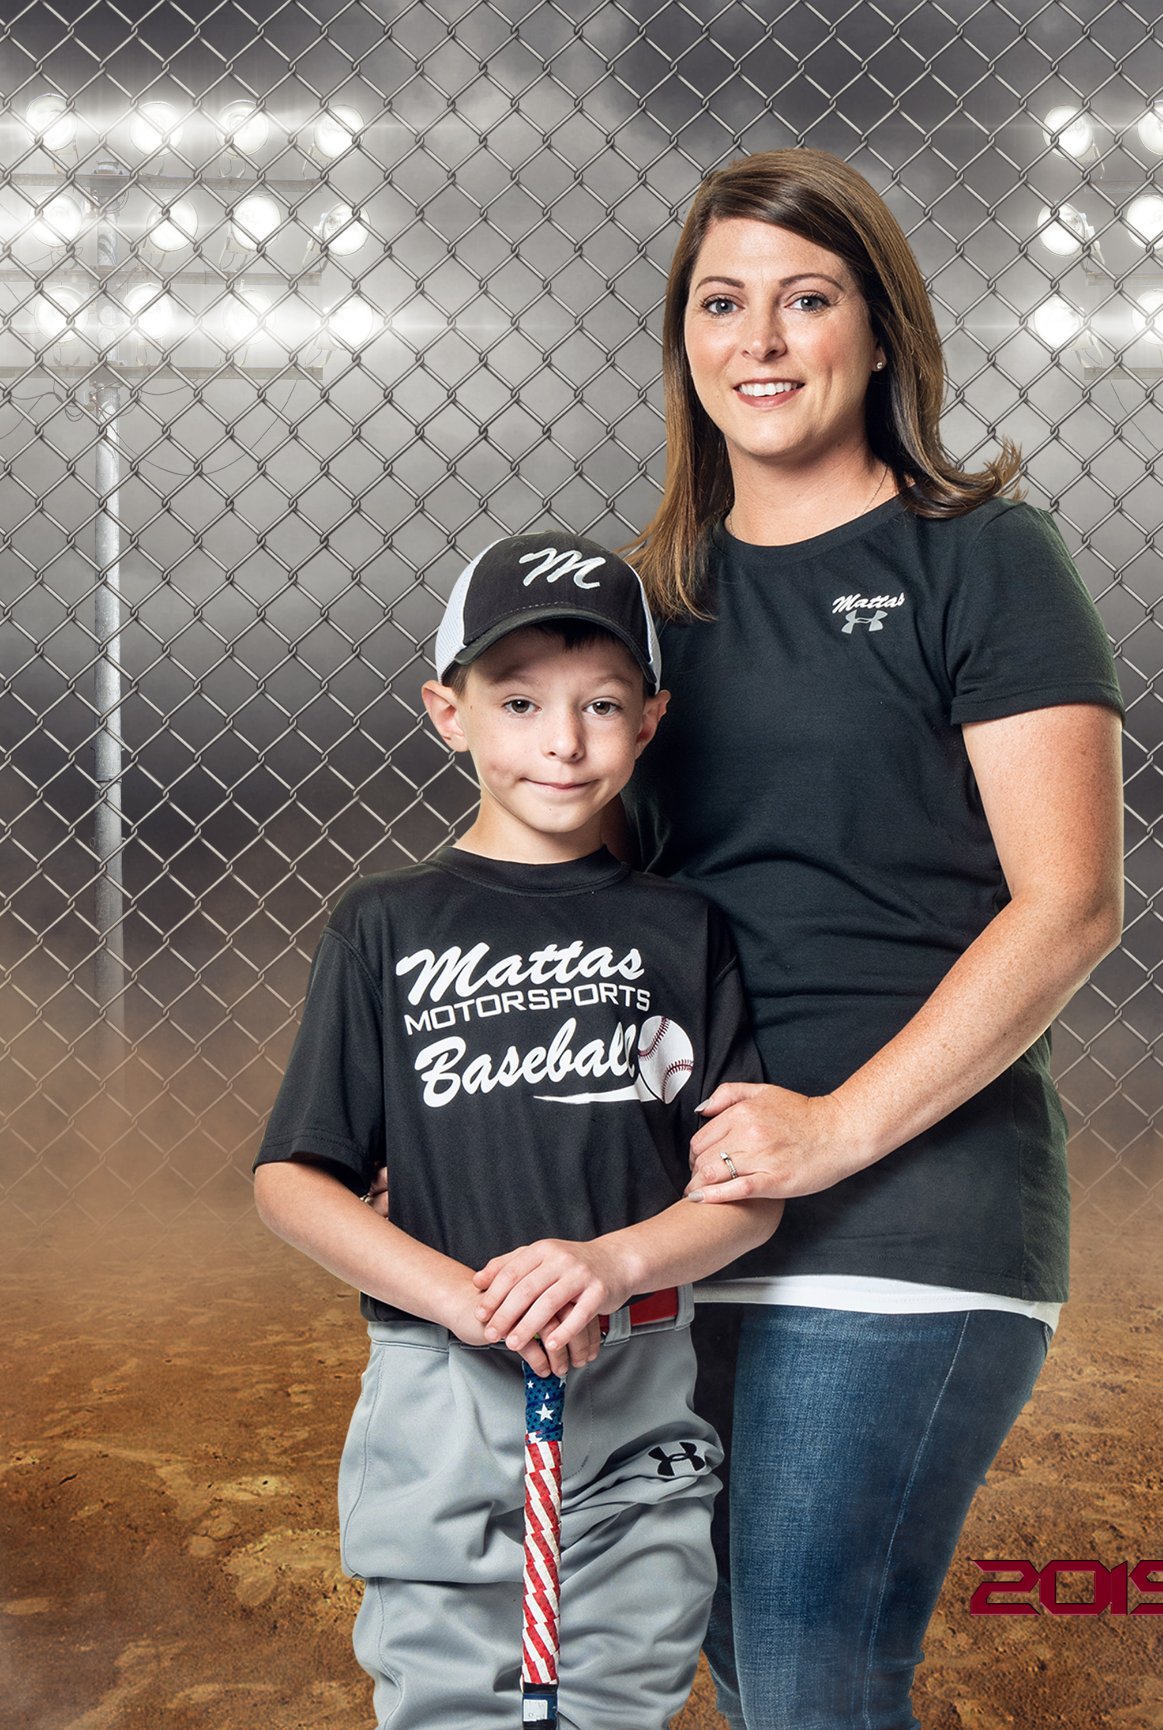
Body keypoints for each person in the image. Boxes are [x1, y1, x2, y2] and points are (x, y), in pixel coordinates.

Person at [617, 149, 1126, 1730]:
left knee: (814, 1674)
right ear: (685, 345)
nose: (760, 340)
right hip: (690, 1212)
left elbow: (1071, 902)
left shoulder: (981, 558)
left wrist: (837, 1130)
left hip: (910, 1207)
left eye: (806, 297)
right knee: (745, 1654)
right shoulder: (639, 606)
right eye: (723, 302)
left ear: (882, 330)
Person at [253, 530, 781, 1730]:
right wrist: (459, 1296)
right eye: (520, 699)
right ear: (449, 712)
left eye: (601, 704)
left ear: (650, 721)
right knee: (445, 1696)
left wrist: (608, 1261)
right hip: (440, 1382)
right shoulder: (385, 924)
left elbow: (747, 1189)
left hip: (636, 1373)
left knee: (618, 1693)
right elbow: (295, 1178)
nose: (563, 739)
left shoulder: (684, 930)